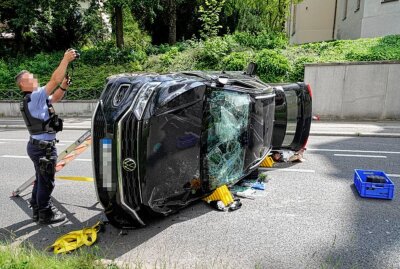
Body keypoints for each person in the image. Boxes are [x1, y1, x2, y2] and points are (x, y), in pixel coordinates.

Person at [15, 49, 78, 224]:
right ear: (23, 85)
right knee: (47, 182)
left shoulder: (36, 99)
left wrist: (64, 85)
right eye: (29, 78)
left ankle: (36, 207)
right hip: (43, 148)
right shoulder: (34, 97)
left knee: (41, 179)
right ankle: (45, 213)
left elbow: (55, 97)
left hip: (38, 147)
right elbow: (54, 80)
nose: (34, 78)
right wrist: (66, 59)